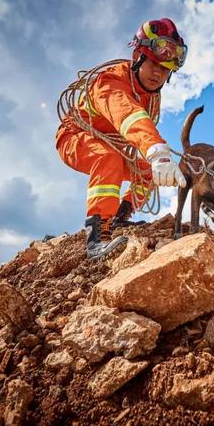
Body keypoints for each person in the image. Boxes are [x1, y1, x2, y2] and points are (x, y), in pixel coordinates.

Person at [56, 18, 188, 260]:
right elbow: (128, 114)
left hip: (110, 146)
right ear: (138, 55)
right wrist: (158, 151)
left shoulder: (149, 96)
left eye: (165, 69)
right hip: (74, 137)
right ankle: (97, 236)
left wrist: (155, 159)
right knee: (108, 160)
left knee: (148, 172)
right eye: (154, 64)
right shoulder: (110, 82)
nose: (159, 73)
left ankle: (120, 217)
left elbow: (139, 126)